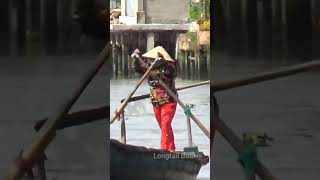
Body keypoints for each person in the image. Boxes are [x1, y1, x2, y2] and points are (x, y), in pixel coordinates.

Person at [131, 46, 178, 152]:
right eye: (150, 59)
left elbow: (169, 73)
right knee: (163, 127)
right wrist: (136, 58)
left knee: (165, 125)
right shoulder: (149, 68)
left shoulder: (169, 67)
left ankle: (164, 150)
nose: (150, 60)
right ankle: (171, 149)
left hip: (168, 101)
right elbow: (138, 69)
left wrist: (162, 62)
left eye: (153, 59)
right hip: (156, 102)